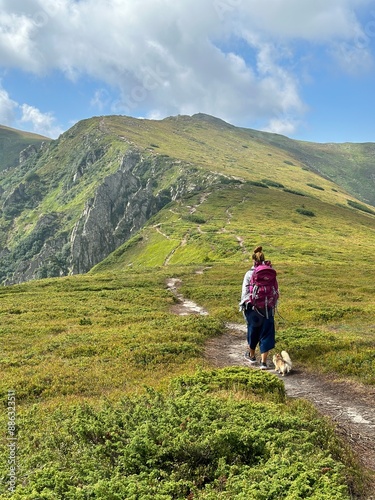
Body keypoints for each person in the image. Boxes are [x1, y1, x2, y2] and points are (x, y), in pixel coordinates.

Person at [239, 246, 276, 370]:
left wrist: (244, 306)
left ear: (253, 260)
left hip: (253, 308)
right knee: (267, 332)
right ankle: (264, 363)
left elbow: (245, 292)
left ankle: (252, 355)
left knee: (253, 331)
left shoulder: (249, 273)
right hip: (268, 307)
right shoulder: (271, 272)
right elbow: (276, 290)